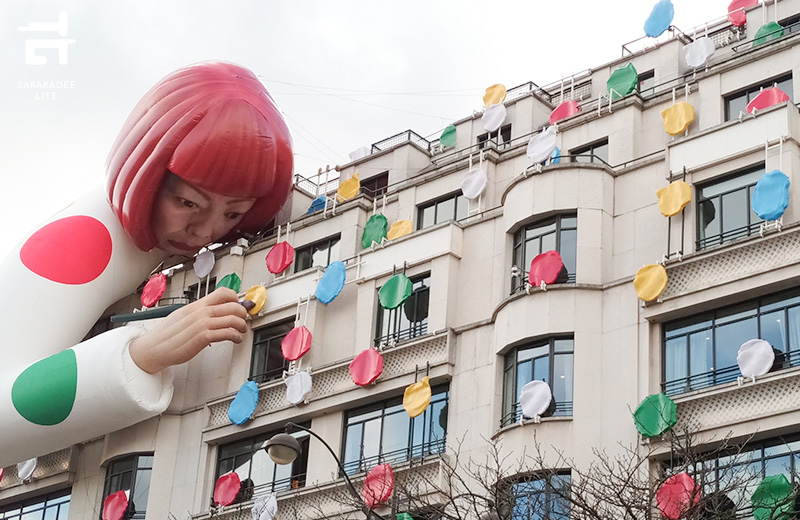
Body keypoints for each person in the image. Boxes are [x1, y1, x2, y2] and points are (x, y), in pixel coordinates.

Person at [0, 62, 293, 467]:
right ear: (147, 175)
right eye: (188, 203)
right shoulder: (79, 240)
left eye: (232, 214)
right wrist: (142, 355)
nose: (205, 231)